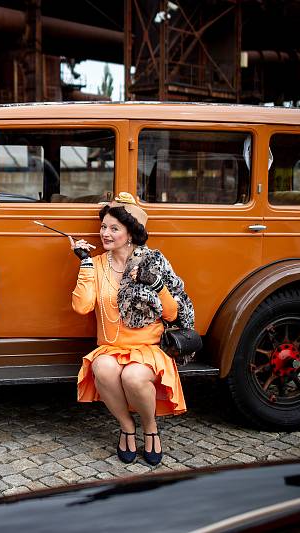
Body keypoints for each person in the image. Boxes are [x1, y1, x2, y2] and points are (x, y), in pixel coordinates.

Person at [69, 192, 187, 466]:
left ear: (131, 233)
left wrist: (156, 284)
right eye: (103, 227)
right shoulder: (97, 264)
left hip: (148, 347)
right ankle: (126, 427)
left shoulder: (151, 261)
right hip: (111, 346)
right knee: (103, 368)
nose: (105, 234)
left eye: (113, 228)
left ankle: (150, 429)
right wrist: (85, 262)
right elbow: (82, 306)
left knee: (134, 376)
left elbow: (172, 313)